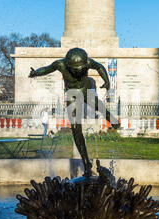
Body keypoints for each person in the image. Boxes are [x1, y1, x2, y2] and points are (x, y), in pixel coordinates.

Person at [29, 48, 120, 177]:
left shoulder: (87, 62)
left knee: (97, 105)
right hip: (72, 95)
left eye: (81, 69)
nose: (78, 71)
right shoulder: (61, 64)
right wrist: (36, 73)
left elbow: (99, 67)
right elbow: (47, 69)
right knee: (76, 129)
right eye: (75, 69)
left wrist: (107, 81)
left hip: (85, 89)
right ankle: (86, 162)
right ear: (68, 64)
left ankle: (111, 119)